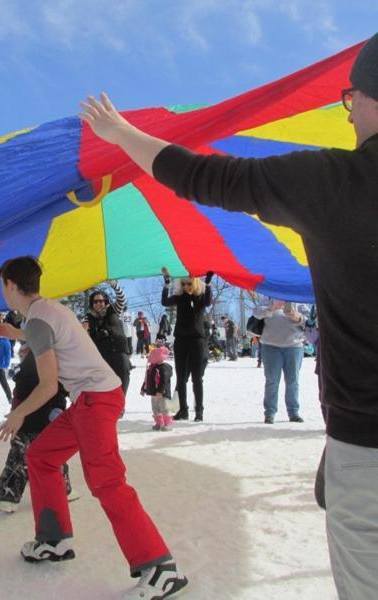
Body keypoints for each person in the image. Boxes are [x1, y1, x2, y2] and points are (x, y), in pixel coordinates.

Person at [79, 38, 378, 596]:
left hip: (367, 451)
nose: (350, 110)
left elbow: (204, 176)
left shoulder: (330, 180)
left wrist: (120, 134)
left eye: (351, 97)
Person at [0, 256, 187, 599]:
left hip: (95, 399)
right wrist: (16, 332)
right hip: (89, 398)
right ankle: (54, 539)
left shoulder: (40, 320)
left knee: (106, 479)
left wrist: (18, 414)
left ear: (11, 285)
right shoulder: (47, 312)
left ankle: (160, 569)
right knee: (40, 455)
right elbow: (44, 335)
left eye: (2, 286)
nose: (2, 292)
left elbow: (49, 385)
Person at [0, 343, 76, 512]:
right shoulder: (53, 361)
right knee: (51, 457)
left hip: (31, 419)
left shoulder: (33, 364)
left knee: (19, 457)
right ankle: (62, 490)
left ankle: (9, 496)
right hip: (42, 420)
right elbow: (61, 390)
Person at [161, 268, 213, 422]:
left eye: (189, 283)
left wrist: (208, 284)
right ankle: (183, 410)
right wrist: (167, 284)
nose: (186, 286)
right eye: (183, 284)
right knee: (181, 378)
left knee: (197, 378)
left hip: (197, 341)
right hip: (181, 341)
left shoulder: (200, 298)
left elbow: (208, 301)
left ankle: (199, 411)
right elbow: (164, 302)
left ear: (194, 283)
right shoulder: (179, 298)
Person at [253, 300, 306, 424]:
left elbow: (308, 321)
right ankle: (270, 413)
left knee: (293, 381)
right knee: (272, 381)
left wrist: (295, 316)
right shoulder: (269, 298)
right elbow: (256, 312)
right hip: (270, 346)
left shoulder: (298, 300)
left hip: (294, 346)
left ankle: (293, 413)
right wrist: (272, 308)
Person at [83, 281, 131, 394]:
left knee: (123, 377)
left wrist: (114, 285)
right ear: (91, 304)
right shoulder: (87, 318)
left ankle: (120, 406)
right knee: (105, 385)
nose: (99, 303)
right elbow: (83, 339)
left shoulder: (114, 310)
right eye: (95, 301)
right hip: (102, 356)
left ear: (106, 302)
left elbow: (121, 298)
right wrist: (84, 331)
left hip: (119, 352)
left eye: (101, 301)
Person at [141, 346, 173, 431]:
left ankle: (168, 424)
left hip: (162, 393)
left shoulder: (164, 368)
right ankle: (159, 423)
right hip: (153, 393)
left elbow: (164, 381)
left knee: (164, 408)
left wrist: (160, 391)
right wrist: (143, 389)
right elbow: (147, 379)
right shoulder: (152, 368)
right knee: (155, 409)